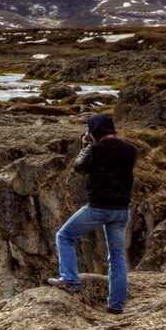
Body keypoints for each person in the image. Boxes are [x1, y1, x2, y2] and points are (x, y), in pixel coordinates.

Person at [48, 114, 139, 314]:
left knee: (64, 236)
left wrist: (86, 146)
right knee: (116, 257)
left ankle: (70, 280)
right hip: (122, 210)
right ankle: (116, 305)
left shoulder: (95, 150)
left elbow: (79, 168)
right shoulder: (130, 150)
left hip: (98, 207)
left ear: (94, 130)